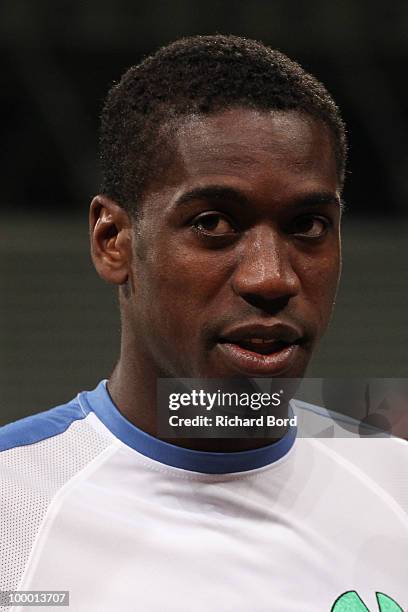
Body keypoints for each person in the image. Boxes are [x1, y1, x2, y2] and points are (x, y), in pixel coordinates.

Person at [0, 35, 406, 612]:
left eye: (308, 226)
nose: (271, 279)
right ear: (112, 240)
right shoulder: (12, 509)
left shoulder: (397, 488)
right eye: (214, 223)